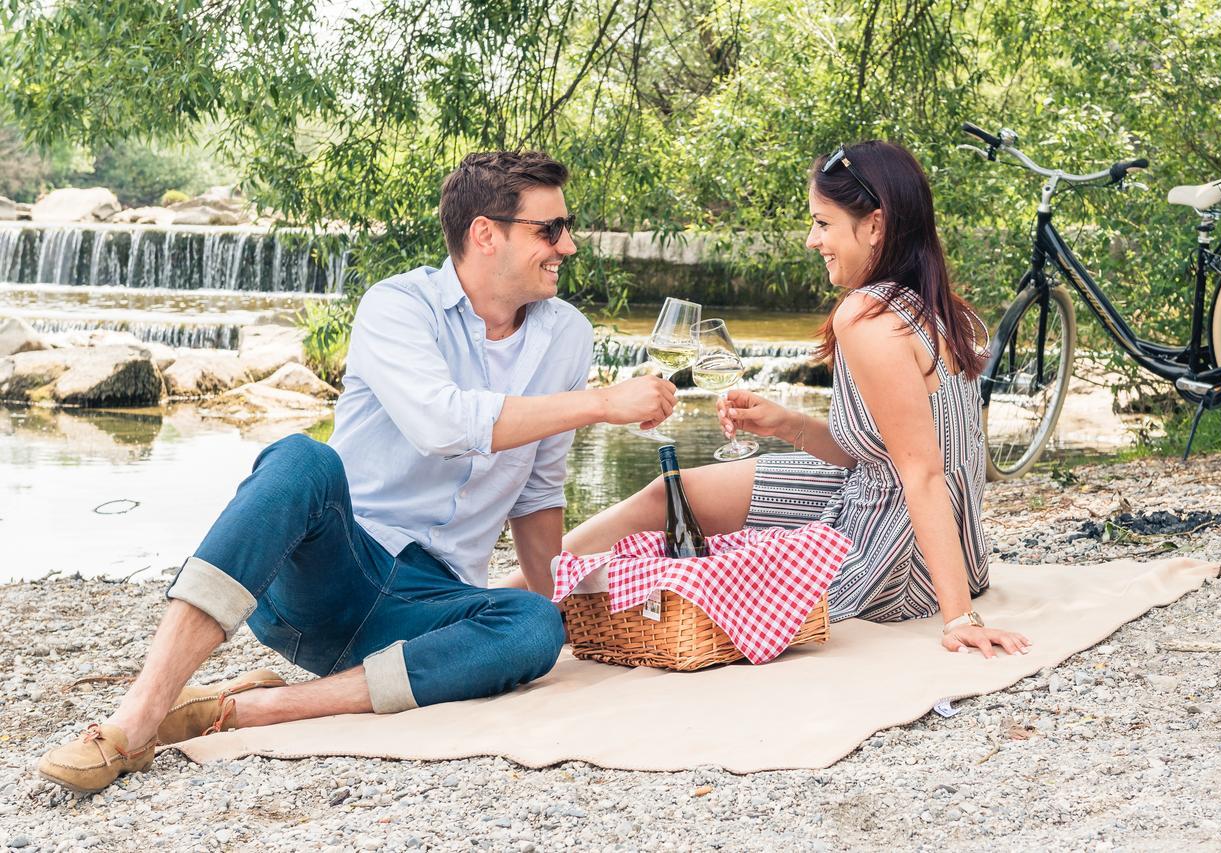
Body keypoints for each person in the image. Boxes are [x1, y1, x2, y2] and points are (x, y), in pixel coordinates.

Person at [37, 150, 678, 795]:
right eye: (550, 230)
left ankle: (243, 709)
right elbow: (442, 423)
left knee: (533, 626)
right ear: (486, 233)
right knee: (301, 459)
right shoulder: (398, 306)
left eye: (566, 228)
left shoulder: (565, 335)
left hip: (428, 603)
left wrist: (554, 608)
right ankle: (137, 719)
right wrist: (602, 403)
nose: (566, 246)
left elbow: (538, 491)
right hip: (335, 572)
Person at [565, 141, 1031, 658]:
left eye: (823, 223)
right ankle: (526, 586)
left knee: (695, 574)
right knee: (674, 493)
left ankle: (529, 598)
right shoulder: (942, 307)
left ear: (875, 226)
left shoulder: (866, 317)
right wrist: (786, 424)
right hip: (913, 519)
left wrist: (960, 617)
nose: (812, 240)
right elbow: (889, 451)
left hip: (895, 552)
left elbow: (921, 473)